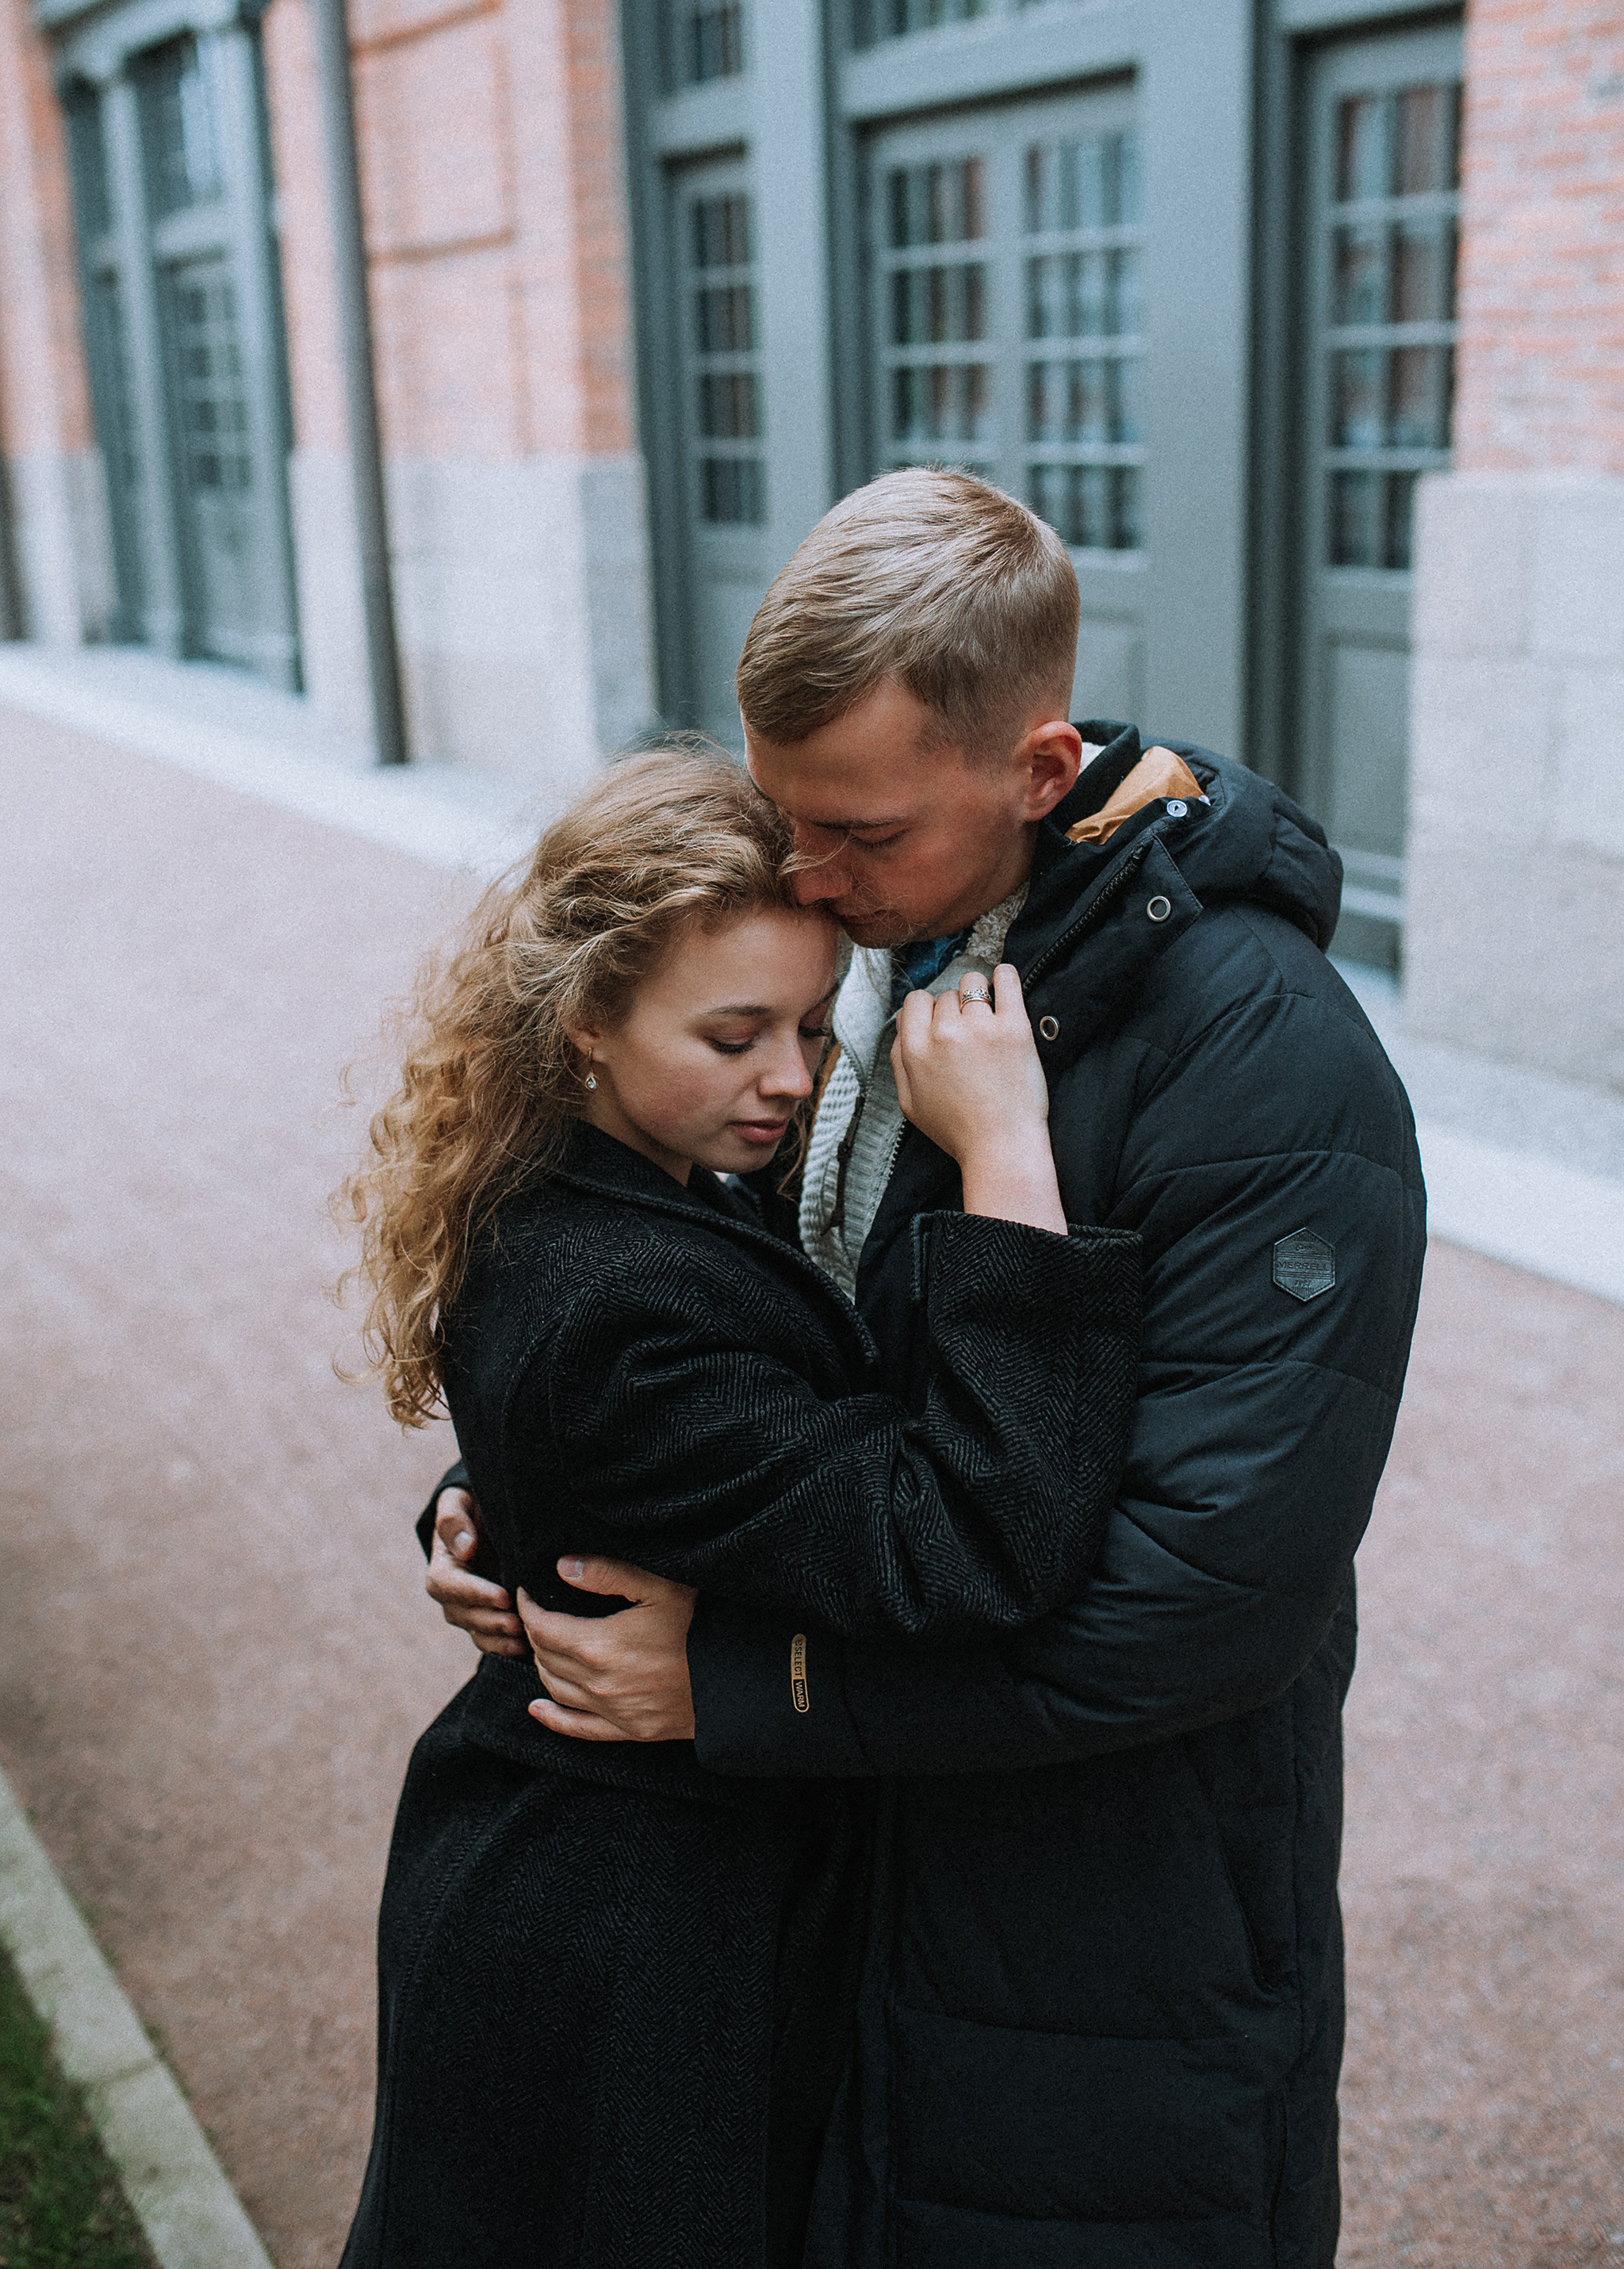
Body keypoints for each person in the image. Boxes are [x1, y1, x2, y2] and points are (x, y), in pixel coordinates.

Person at [426, 469, 1427, 2267]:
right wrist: (542, 1478)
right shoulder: (878, 941)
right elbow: (760, 1335)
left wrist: (744, 1684)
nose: (801, 873)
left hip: (1099, 1927)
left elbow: (1196, 1602)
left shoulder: (1271, 1075)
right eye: (785, 815)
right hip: (849, 1886)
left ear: (1037, 774)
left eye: (858, 833)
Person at [337, 745, 1142, 2269]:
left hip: (612, 1889)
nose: (790, 1076)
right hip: (629, 1949)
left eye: (806, 1022)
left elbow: (647, 1424)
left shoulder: (603, 1182)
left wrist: (490, 1504)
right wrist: (1009, 1154)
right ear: (584, 1019)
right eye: (733, 1033)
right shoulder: (620, 1289)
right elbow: (967, 1539)